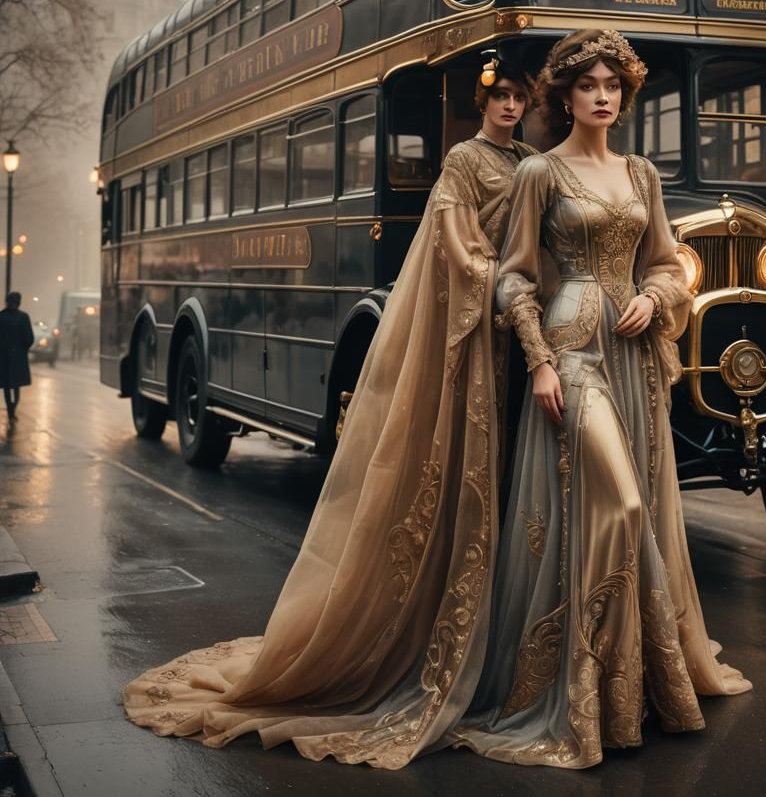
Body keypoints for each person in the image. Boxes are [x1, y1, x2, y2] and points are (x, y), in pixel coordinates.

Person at [122, 61, 538, 769]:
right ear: (483, 103)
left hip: (520, 329)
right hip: (489, 319)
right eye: (498, 96)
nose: (508, 106)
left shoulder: (531, 163)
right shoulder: (464, 161)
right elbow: (456, 245)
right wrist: (509, 289)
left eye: (518, 98)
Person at [451, 29, 750, 769]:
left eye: (614, 85)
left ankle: (630, 694)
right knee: (618, 502)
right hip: (573, 351)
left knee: (635, 505)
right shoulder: (540, 175)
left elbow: (669, 264)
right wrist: (541, 362)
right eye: (588, 85)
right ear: (566, 96)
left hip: (634, 356)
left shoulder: (642, 174)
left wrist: (656, 293)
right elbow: (515, 275)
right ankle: (574, 693)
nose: (603, 96)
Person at [0, 291, 34, 422]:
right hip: (18, 357)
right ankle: (13, 408)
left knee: (7, 385)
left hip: (3, 357)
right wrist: (22, 350)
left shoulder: (1, 316)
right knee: (16, 385)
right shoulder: (23, 317)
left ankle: (10, 409)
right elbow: (29, 338)